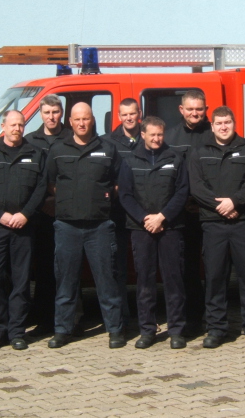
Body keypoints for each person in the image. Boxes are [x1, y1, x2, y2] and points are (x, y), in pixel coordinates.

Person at [46, 102, 124, 349]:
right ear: (70, 121)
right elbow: (50, 184)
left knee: (107, 281)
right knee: (66, 281)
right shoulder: (58, 149)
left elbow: (120, 182)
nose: (82, 123)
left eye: (86, 119)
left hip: (99, 226)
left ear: (92, 120)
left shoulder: (108, 148)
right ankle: (62, 329)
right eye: (77, 119)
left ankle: (115, 330)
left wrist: (102, 200)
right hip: (67, 226)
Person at [189, 106, 245, 349]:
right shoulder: (199, 151)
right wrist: (219, 206)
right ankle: (216, 328)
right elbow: (196, 187)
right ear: (212, 125)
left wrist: (235, 202)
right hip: (214, 225)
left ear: (235, 124)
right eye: (219, 123)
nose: (224, 127)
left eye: (228, 122)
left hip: (243, 223)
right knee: (215, 278)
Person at [0, 110, 46, 351]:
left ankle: (17, 331)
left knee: (21, 281)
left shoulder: (36, 154)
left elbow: (41, 188)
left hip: (23, 228)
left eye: (21, 124)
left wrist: (25, 214)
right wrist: (0, 215)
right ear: (3, 126)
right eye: (12, 125)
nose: (17, 129)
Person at [118, 116, 188, 349]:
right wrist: (144, 218)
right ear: (143, 135)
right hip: (141, 229)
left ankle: (177, 330)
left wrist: (162, 217)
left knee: (173, 280)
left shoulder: (175, 159)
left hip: (170, 228)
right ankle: (147, 330)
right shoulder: (129, 160)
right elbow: (125, 195)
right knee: (144, 282)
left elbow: (182, 192)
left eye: (160, 134)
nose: (157, 138)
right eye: (152, 135)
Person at [164, 90, 212, 335]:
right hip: (183, 214)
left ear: (206, 109)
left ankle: (214, 319)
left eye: (200, 109)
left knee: (215, 267)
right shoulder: (171, 137)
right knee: (187, 268)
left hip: (211, 212)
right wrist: (182, 203)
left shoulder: (216, 133)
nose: (195, 113)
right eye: (190, 109)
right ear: (181, 110)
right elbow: (168, 176)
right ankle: (191, 318)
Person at [25, 94, 72, 336]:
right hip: (40, 214)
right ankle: (45, 320)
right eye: (47, 113)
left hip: (67, 212)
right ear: (40, 114)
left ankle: (70, 319)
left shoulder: (72, 136)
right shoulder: (30, 140)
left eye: (55, 112)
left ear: (61, 113)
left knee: (67, 268)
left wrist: (57, 200)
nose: (51, 117)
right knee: (43, 268)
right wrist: (43, 202)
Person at [102, 98, 143, 329]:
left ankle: (147, 317)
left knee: (144, 267)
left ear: (140, 113)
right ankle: (123, 319)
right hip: (116, 214)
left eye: (132, 113)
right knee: (117, 268)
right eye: (124, 114)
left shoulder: (149, 138)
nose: (129, 118)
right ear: (118, 116)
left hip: (143, 213)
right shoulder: (107, 142)